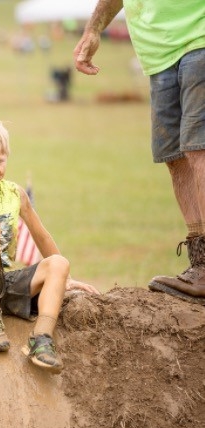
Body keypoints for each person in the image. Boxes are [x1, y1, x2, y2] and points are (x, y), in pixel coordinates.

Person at [0, 116, 99, 373]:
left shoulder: (14, 194)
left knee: (59, 263)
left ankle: (42, 339)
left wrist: (64, 278)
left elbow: (42, 236)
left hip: (2, 282)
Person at [73, 1, 205, 305]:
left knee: (199, 149)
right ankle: (200, 262)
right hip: (157, 55)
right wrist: (93, 29)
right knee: (174, 156)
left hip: (199, 39)